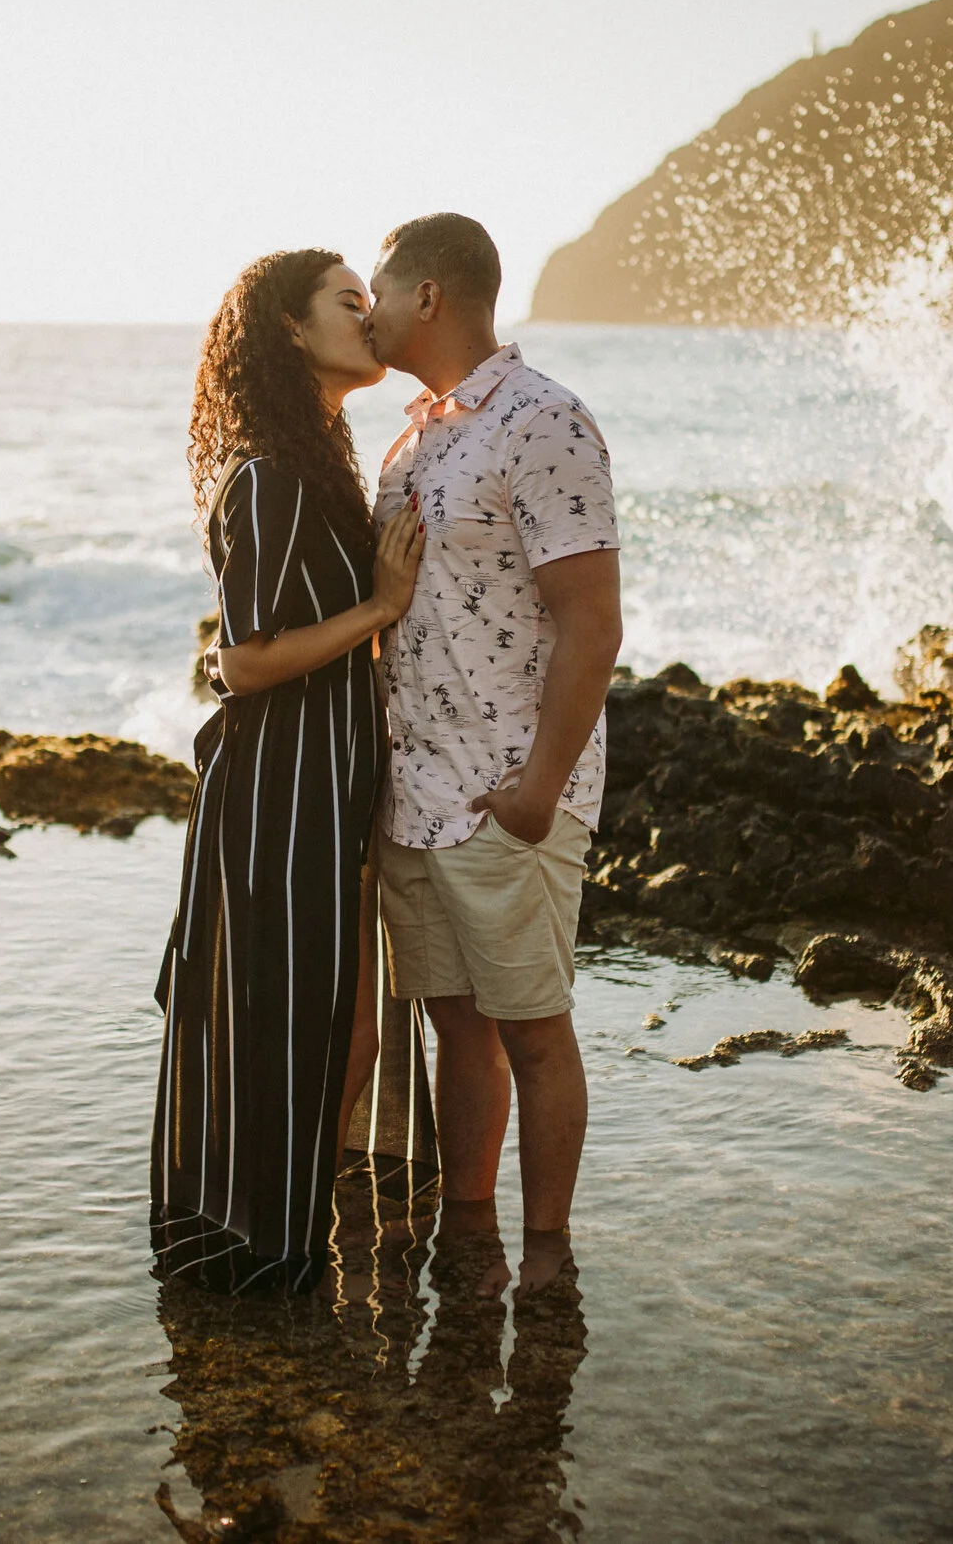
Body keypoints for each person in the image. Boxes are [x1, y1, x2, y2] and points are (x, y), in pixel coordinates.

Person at [152, 247, 432, 1293]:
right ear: (287, 330)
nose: (369, 317)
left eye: (372, 300)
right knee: (284, 1023)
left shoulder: (317, 457)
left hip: (332, 778)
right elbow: (244, 658)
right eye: (346, 303)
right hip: (279, 792)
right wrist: (379, 609)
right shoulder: (266, 475)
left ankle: (292, 1234)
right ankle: (257, 1249)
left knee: (338, 1023)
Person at [362, 214, 623, 1298]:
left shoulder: (543, 419)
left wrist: (534, 794)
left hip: (503, 789)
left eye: (375, 290)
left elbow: (591, 622)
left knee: (532, 1030)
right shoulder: (409, 440)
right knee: (452, 1027)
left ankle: (548, 1258)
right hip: (415, 794)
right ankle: (471, 1236)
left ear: (426, 294)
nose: (365, 312)